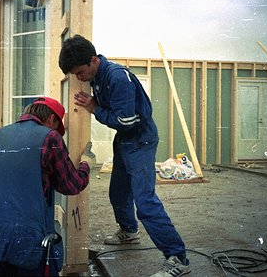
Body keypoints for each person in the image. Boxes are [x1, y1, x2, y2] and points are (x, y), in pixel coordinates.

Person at [59, 35, 190, 277]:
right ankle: (129, 231)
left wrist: (95, 108)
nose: (79, 79)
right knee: (118, 192)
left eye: (80, 72)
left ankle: (178, 258)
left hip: (140, 138)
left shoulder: (117, 77)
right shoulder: (97, 76)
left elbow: (126, 121)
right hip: (125, 140)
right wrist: (96, 102)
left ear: (93, 60)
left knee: (145, 202)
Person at [0, 96, 95, 276]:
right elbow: (71, 185)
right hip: (30, 237)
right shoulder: (50, 137)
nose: (56, 132)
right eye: (56, 127)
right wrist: (86, 164)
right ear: (51, 119)